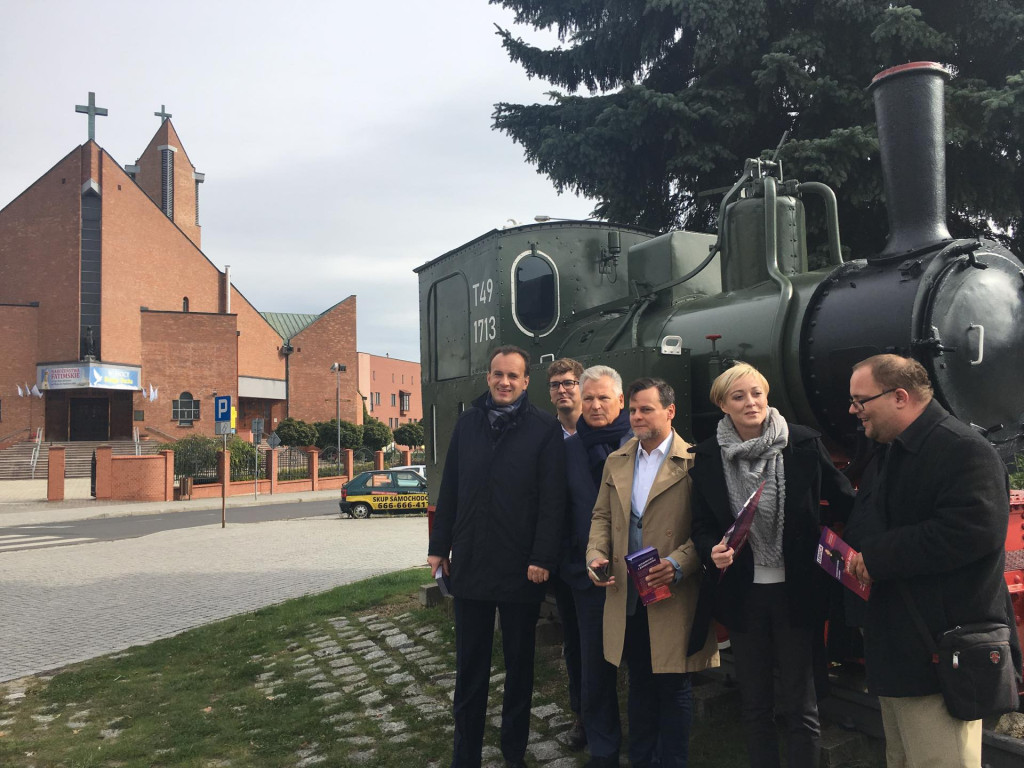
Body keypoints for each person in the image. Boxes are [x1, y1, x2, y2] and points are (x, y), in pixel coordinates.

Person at [845, 354, 1021, 768]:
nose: (853, 411)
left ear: (900, 396)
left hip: (941, 655)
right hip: (902, 649)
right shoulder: (891, 450)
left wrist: (878, 556)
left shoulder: (963, 450)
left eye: (860, 400)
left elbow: (971, 532)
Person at [689, 362, 854, 768]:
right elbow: (701, 524)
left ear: (767, 396)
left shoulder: (801, 443)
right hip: (744, 595)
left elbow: (846, 499)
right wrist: (712, 549)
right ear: (723, 405)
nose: (751, 402)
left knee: (802, 704)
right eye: (739, 396)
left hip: (796, 590)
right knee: (756, 703)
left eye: (757, 393)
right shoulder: (709, 456)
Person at [428, 345, 567, 768]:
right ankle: (464, 756)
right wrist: (438, 547)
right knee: (470, 670)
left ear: (526, 382)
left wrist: (543, 556)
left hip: (522, 569)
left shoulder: (544, 430)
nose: (504, 382)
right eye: (497, 374)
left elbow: (552, 503)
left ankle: (513, 753)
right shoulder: (467, 424)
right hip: (470, 562)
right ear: (487, 377)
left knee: (519, 670)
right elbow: (449, 489)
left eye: (513, 376)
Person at [586, 377, 718, 768]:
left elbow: (709, 525)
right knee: (640, 682)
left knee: (674, 685)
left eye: (646, 409)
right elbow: (602, 515)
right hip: (628, 592)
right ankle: (642, 759)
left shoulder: (695, 460)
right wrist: (596, 553)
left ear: (670, 411)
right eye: (633, 410)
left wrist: (679, 564)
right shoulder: (618, 459)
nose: (638, 417)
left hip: (673, 593)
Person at [560, 365, 632, 767]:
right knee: (594, 666)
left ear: (620, 401)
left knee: (640, 663)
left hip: (636, 574)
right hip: (587, 577)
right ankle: (603, 748)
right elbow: (557, 508)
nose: (595, 405)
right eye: (588, 398)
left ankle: (644, 740)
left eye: (604, 397)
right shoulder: (566, 450)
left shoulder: (640, 442)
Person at [545, 357, 587, 750]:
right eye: (556, 384)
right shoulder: (546, 438)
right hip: (565, 561)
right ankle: (581, 716)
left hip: (602, 556)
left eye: (569, 383)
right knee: (574, 642)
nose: (562, 389)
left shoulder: (601, 432)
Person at [548, 357, 584, 438]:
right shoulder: (543, 435)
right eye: (554, 385)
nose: (561, 390)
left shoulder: (599, 430)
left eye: (568, 383)